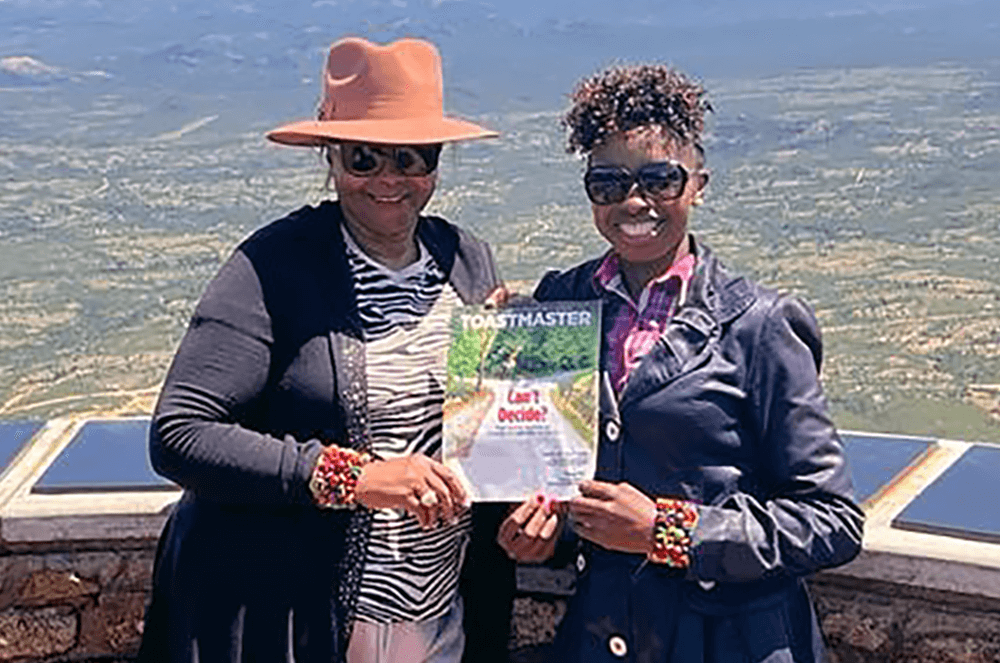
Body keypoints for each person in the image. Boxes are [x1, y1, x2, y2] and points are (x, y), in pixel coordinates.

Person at [138, 36, 515, 663]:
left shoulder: (467, 261)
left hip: (438, 616)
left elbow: (484, 435)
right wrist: (354, 476)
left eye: (412, 157)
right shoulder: (274, 267)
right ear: (331, 159)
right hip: (299, 620)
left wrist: (534, 500)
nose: (389, 179)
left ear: (437, 163)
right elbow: (179, 434)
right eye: (364, 158)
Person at [496, 63, 864, 662]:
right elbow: (561, 469)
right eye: (608, 183)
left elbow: (833, 521)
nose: (634, 201)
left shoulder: (760, 324)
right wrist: (547, 531)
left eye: (660, 180)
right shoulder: (563, 303)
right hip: (604, 635)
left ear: (698, 183)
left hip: (731, 640)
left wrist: (668, 531)